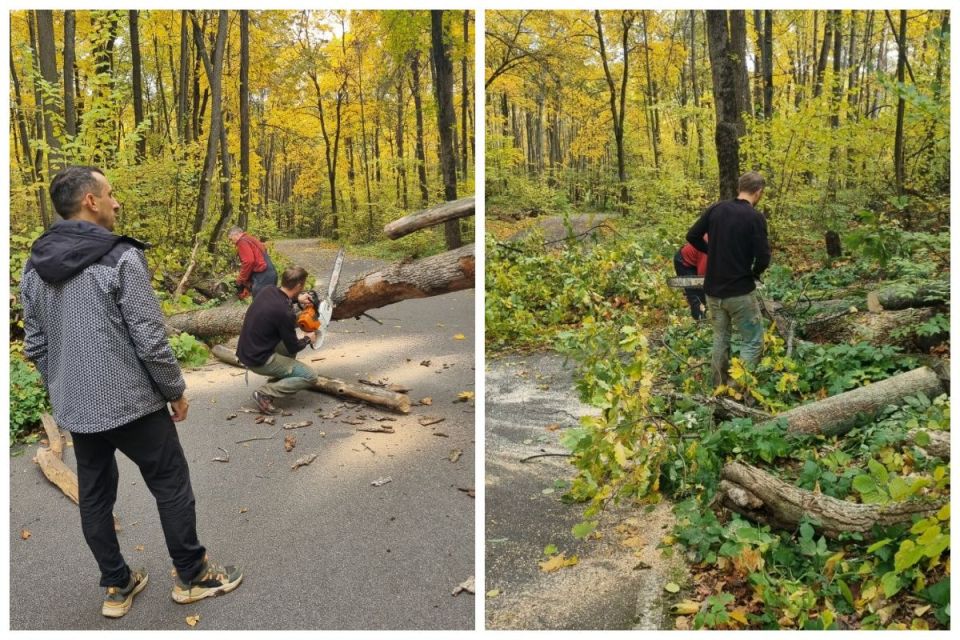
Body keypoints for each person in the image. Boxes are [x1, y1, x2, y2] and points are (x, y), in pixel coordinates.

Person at [20, 166, 243, 618]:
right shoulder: (119, 256)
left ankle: (118, 587)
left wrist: (64, 388)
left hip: (77, 409)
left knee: (97, 496)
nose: (116, 202)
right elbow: (149, 337)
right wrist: (174, 389)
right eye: (110, 194)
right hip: (133, 404)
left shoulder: (34, 264)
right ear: (90, 202)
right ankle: (193, 576)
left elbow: (37, 344)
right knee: (171, 483)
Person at [686, 171, 771, 387]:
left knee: (720, 338)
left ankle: (719, 388)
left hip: (713, 291)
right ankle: (738, 389)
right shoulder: (755, 217)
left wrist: (711, 251)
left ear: (739, 187)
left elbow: (692, 235)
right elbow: (763, 256)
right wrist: (754, 273)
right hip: (740, 291)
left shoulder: (717, 209)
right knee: (752, 341)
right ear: (758, 192)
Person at [236, 265, 319, 414]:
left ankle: (276, 383)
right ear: (300, 285)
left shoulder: (268, 290)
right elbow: (293, 346)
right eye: (302, 286)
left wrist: (297, 299)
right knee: (310, 376)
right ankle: (265, 393)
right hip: (259, 359)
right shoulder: (285, 313)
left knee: (287, 351)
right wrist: (308, 338)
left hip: (247, 350)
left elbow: (281, 301)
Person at [228, 226, 277, 298]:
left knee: (260, 305)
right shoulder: (251, 239)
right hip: (271, 273)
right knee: (271, 303)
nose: (232, 242)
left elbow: (248, 262)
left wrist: (240, 280)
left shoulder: (242, 241)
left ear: (236, 234)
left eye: (231, 238)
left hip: (263, 276)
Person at [673, 235, 708, 320]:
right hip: (685, 263)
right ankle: (700, 322)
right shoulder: (707, 245)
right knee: (697, 295)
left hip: (697, 260)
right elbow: (702, 276)